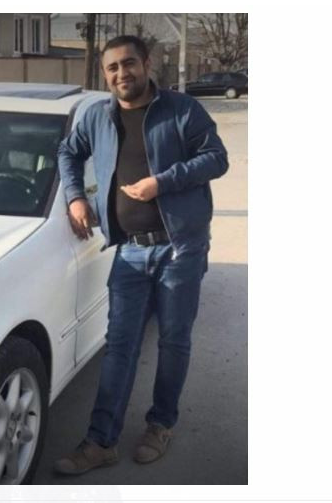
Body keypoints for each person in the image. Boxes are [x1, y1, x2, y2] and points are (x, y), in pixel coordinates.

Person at [54, 35, 229, 475]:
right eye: (112, 67)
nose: (121, 74)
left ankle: (160, 425)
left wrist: (162, 182)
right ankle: (101, 441)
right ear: (105, 74)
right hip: (129, 251)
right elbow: (68, 152)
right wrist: (75, 197)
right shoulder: (97, 116)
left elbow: (217, 158)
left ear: (146, 64)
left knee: (173, 341)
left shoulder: (181, 110)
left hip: (180, 248)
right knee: (120, 345)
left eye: (128, 63)